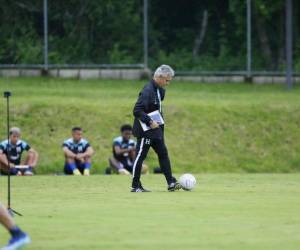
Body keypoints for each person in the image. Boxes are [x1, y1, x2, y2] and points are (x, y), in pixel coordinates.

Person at [131, 64, 182, 192]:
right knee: (140, 156)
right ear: (159, 77)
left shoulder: (160, 90)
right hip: (145, 131)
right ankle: (135, 186)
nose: (168, 83)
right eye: (167, 80)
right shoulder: (147, 90)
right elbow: (137, 110)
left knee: (163, 154)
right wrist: (149, 121)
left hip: (156, 131)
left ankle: (170, 182)